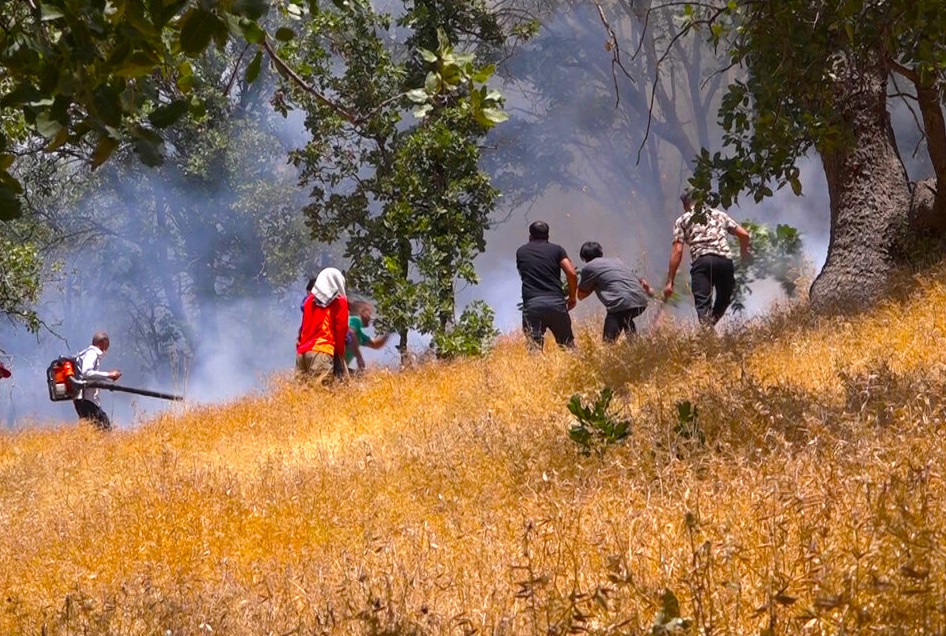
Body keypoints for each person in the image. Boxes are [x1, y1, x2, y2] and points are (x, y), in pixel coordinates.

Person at [664, 190, 752, 327]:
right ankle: (710, 327)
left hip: (702, 263)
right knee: (724, 298)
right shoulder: (718, 214)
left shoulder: (682, 220)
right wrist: (744, 254)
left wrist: (670, 282)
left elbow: (677, 250)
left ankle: (707, 330)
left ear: (686, 204)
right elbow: (744, 235)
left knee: (703, 304)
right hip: (725, 262)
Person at [516, 220, 578, 349]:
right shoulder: (557, 250)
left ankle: (537, 369)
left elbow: (522, 273)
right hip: (556, 304)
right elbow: (571, 273)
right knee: (569, 348)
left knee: (534, 349)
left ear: (530, 236)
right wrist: (572, 297)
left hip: (533, 305)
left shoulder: (521, 252)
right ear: (548, 236)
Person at [577, 241, 655, 342]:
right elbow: (641, 280)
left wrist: (593, 285)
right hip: (640, 301)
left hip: (621, 303)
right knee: (626, 319)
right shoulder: (616, 261)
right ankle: (636, 346)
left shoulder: (588, 268)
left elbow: (580, 295)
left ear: (584, 257)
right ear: (601, 253)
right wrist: (649, 290)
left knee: (608, 344)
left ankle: (613, 352)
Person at [296, 267, 350, 383]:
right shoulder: (340, 301)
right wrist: (340, 352)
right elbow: (341, 329)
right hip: (321, 352)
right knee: (322, 396)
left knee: (302, 398)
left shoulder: (308, 300)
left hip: (302, 354)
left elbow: (303, 328)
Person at [74, 332, 121, 431]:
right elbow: (86, 373)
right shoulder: (92, 353)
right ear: (102, 342)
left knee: (92, 431)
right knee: (105, 428)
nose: (107, 348)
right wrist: (109, 375)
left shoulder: (87, 353)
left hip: (84, 400)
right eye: (107, 345)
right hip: (86, 400)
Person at [345, 300, 390, 372]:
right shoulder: (354, 320)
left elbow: (375, 344)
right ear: (363, 312)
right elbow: (350, 334)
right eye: (369, 313)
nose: (371, 318)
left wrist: (389, 334)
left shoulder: (359, 334)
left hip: (341, 366)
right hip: (333, 364)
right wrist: (359, 358)